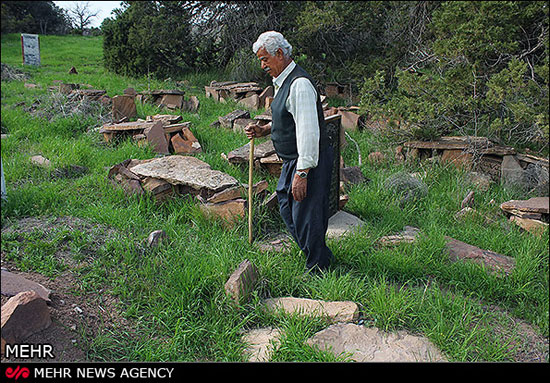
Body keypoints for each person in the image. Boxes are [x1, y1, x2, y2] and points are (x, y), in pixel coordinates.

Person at [245, 31, 334, 275]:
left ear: (280, 54)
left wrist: (303, 173)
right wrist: (264, 129)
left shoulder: (300, 85)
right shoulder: (284, 82)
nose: (263, 65)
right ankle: (318, 254)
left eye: (265, 60)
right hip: (293, 161)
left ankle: (318, 268)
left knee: (307, 216)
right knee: (288, 207)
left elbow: (308, 131)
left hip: (306, 161)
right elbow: (290, 118)